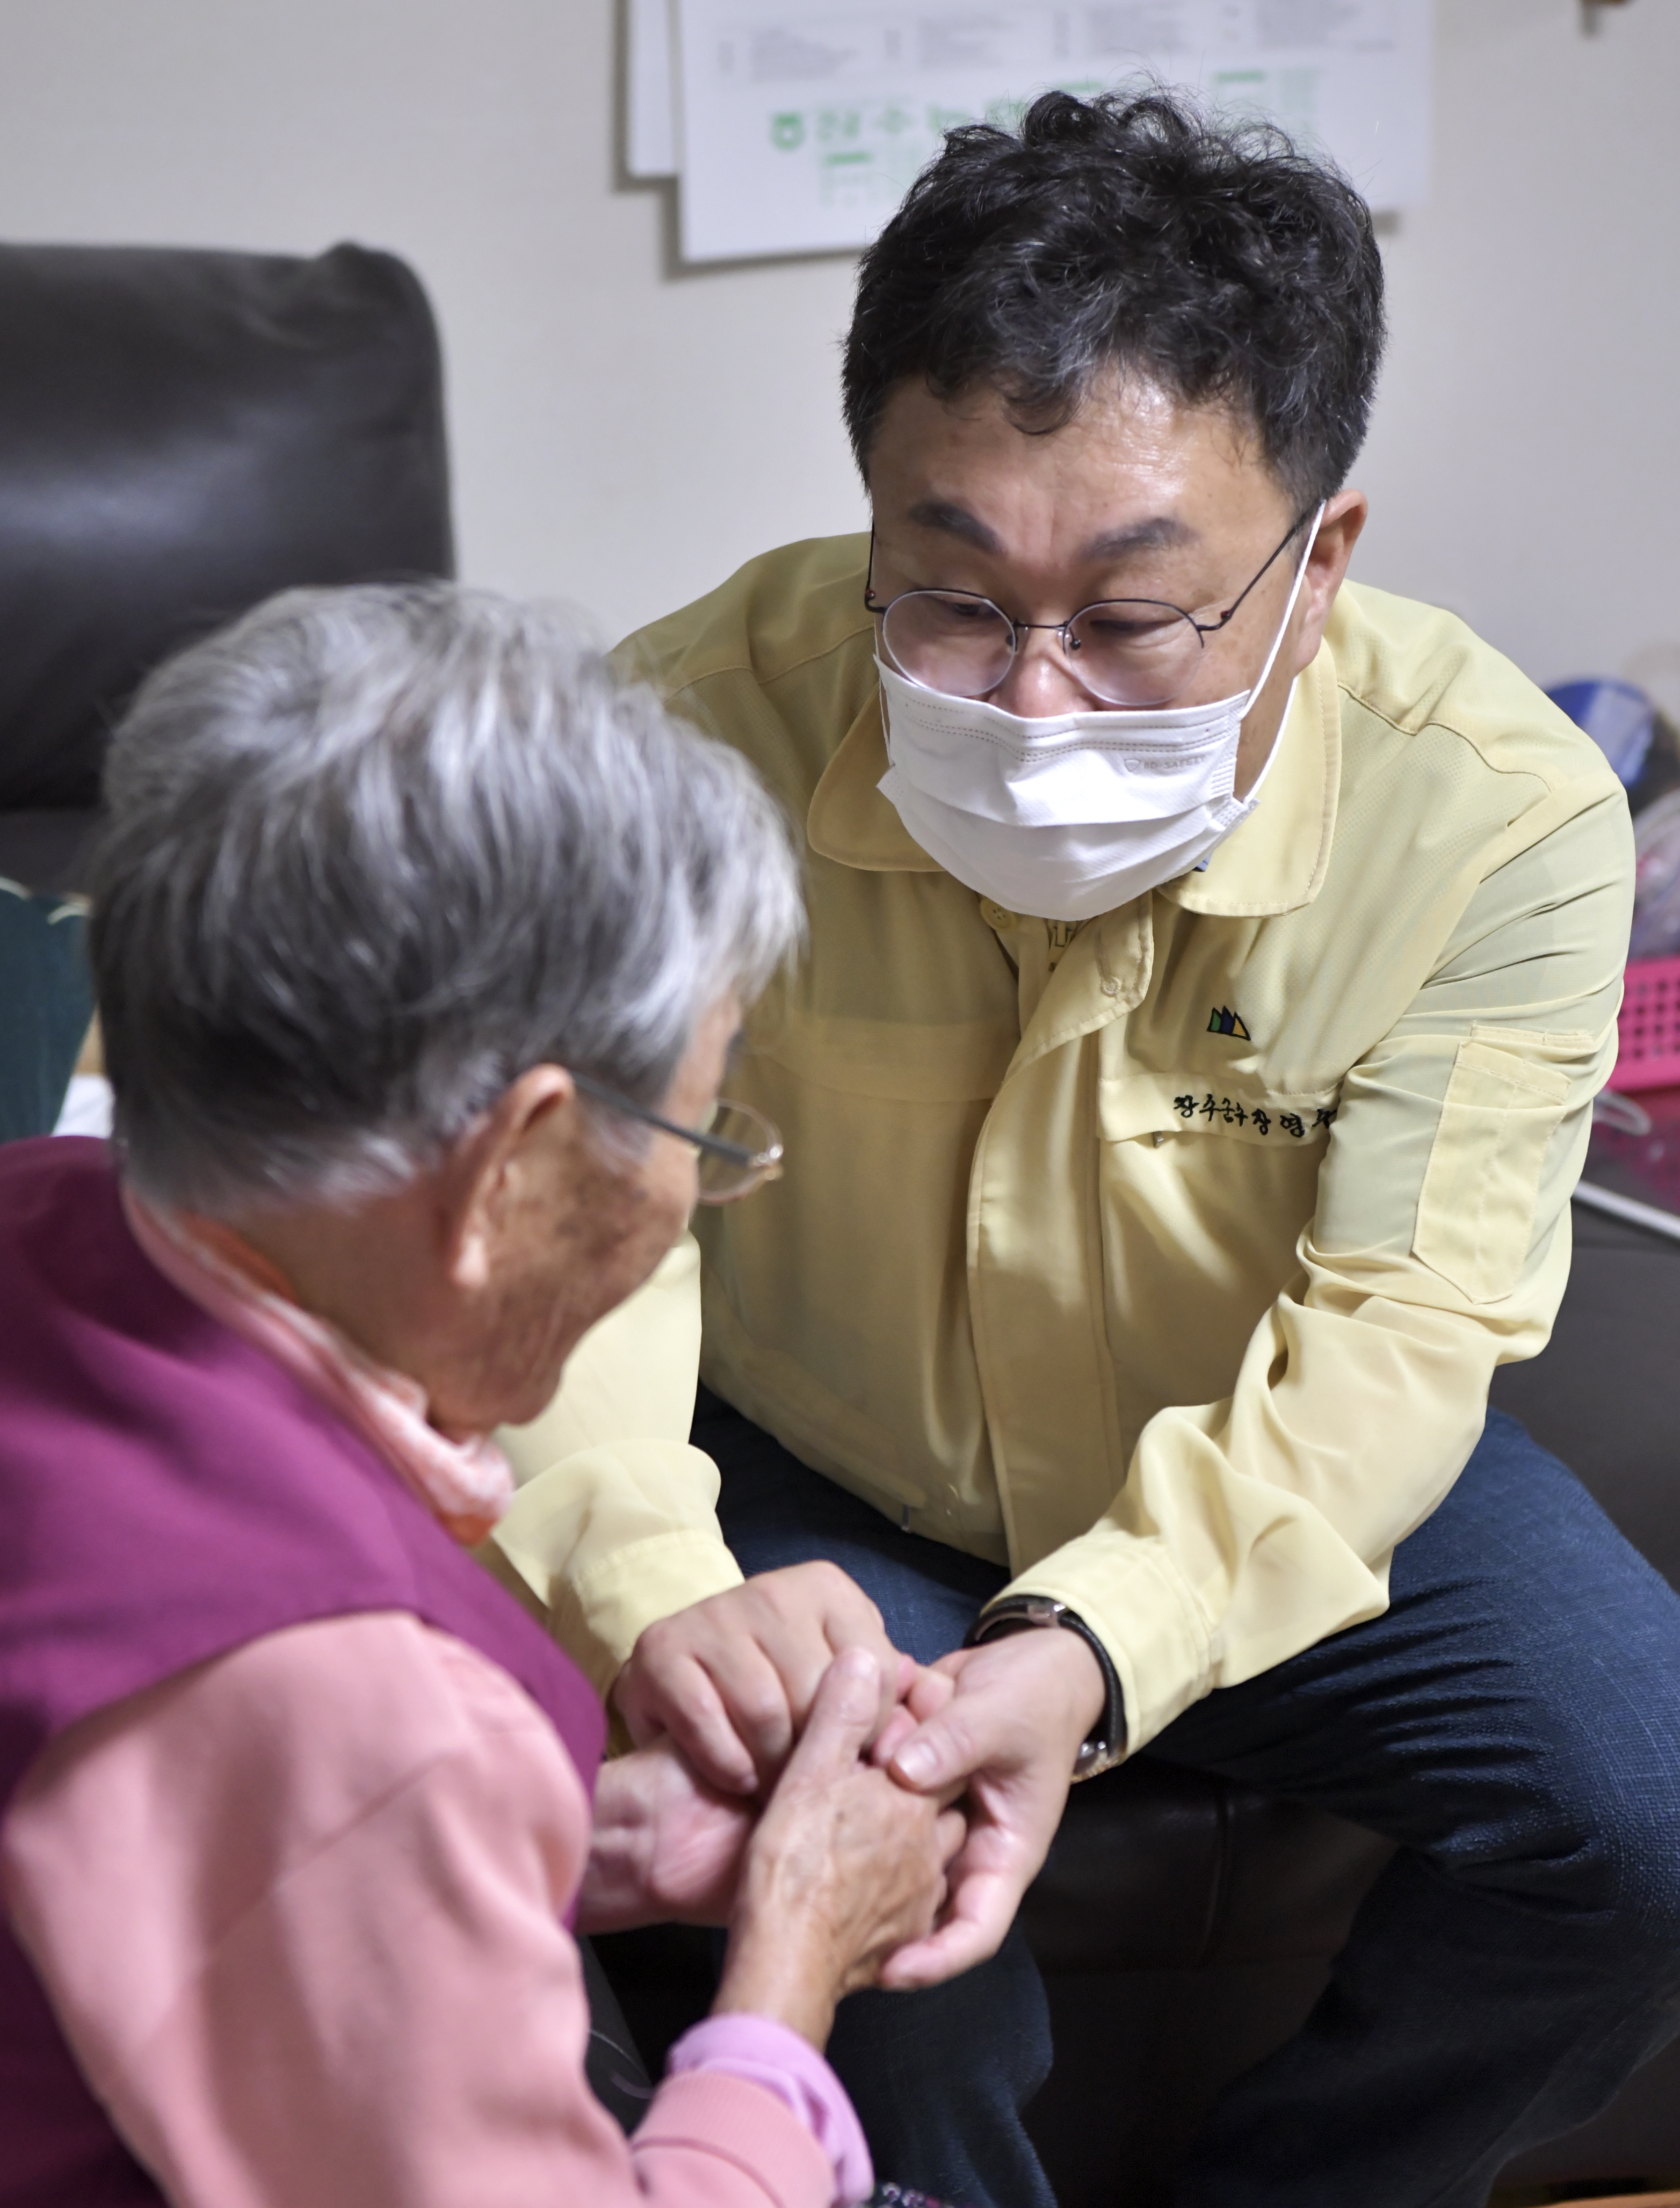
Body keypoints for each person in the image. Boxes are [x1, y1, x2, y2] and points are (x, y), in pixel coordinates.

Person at [495, 90, 1680, 2208]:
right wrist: (652, 1579)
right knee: (861, 1905)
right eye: (945, 594)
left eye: (1135, 620)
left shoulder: (1495, 812)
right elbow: (593, 1217)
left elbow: (1402, 1328)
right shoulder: (679, 738)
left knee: (1653, 1814)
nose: (1030, 702)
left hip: (1284, 1447)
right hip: (826, 1460)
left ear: (1317, 566)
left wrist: (1097, 1643)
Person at [0, 583, 969, 2208]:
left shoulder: (38, 1209)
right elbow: (312, 1777)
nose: (687, 1194)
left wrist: (576, 1843)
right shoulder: (359, 1701)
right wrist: (797, 1961)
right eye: (698, 1136)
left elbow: (186, 1849)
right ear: (510, 1169)